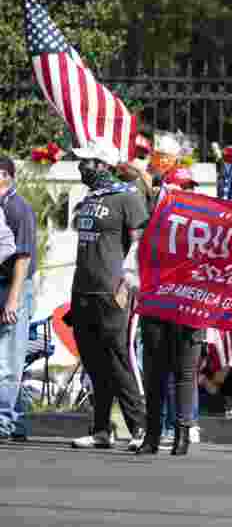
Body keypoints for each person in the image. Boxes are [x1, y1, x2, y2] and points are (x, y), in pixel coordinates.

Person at [66, 138, 148, 450]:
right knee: (93, 362)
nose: (81, 166)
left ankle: (140, 429)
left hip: (113, 292)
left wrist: (128, 285)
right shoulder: (89, 197)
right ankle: (101, 429)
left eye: (87, 161)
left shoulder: (128, 197)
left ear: (103, 165)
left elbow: (141, 245)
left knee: (118, 360)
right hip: (83, 291)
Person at [134, 166, 203, 456]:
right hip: (158, 305)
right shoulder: (152, 221)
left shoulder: (205, 225)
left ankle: (182, 435)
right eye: (181, 187)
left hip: (189, 307)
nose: (187, 193)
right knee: (155, 374)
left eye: (190, 188)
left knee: (185, 374)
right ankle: (152, 435)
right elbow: (133, 260)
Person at [0, 155, 28, 443]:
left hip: (13, 286)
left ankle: (4, 423)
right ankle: (16, 421)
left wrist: (13, 299)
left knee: (8, 359)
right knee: (5, 358)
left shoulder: (18, 208)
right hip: (2, 283)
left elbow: (24, 257)